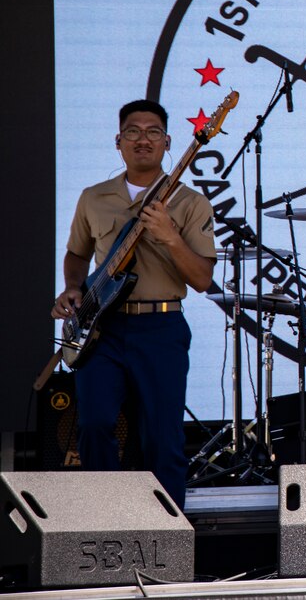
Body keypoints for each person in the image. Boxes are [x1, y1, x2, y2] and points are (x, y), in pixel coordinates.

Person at [52, 99, 216, 509]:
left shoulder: (190, 203)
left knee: (163, 438)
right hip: (103, 329)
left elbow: (201, 279)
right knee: (93, 425)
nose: (143, 139)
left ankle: (168, 536)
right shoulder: (93, 198)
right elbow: (76, 255)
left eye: (153, 132)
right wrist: (72, 288)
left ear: (168, 143)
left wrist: (169, 235)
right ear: (118, 142)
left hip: (160, 330)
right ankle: (106, 524)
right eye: (133, 131)